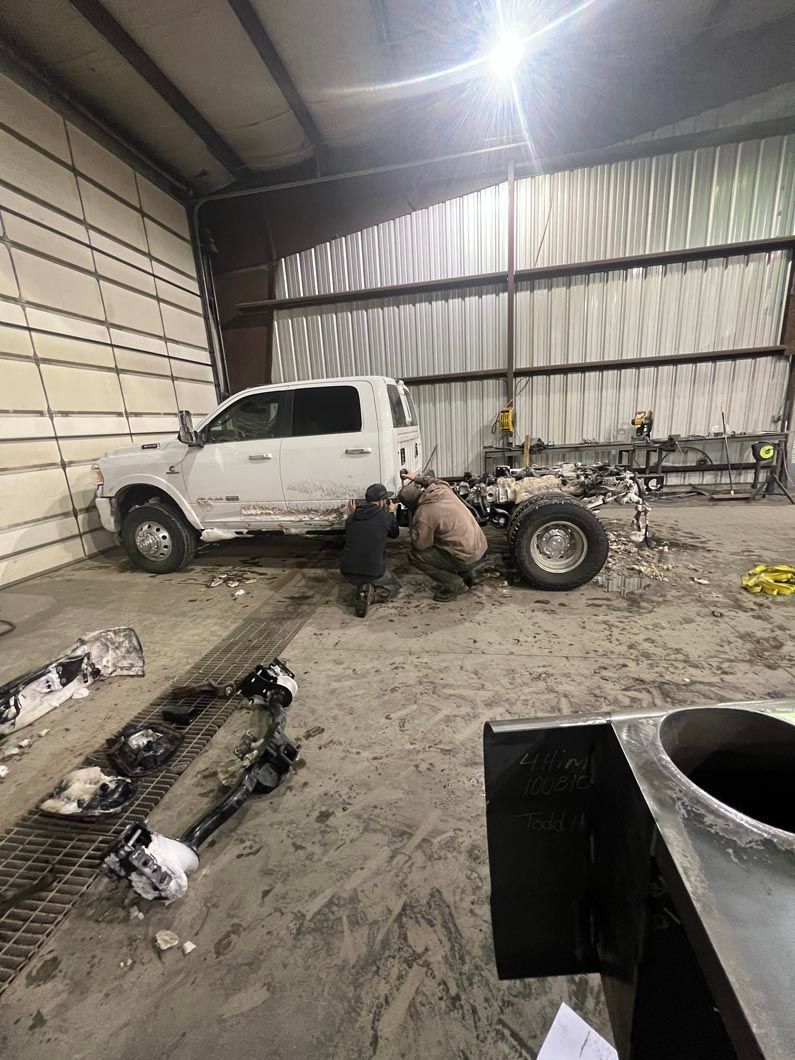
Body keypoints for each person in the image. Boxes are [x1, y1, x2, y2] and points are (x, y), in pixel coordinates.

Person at [398, 471, 488, 601]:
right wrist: (415, 478)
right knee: (454, 539)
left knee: (415, 556)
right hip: (481, 549)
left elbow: (421, 545)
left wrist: (416, 529)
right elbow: (434, 481)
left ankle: (455, 584)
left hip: (466, 558)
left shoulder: (423, 513)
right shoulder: (443, 490)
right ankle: (470, 577)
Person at [340, 483, 401, 618]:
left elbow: (353, 532)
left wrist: (353, 513)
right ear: (381, 501)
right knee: (396, 585)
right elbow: (395, 534)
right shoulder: (385, 517)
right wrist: (392, 513)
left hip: (347, 570)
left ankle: (363, 589)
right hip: (373, 570)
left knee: (362, 563)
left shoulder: (351, 518)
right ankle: (370, 596)